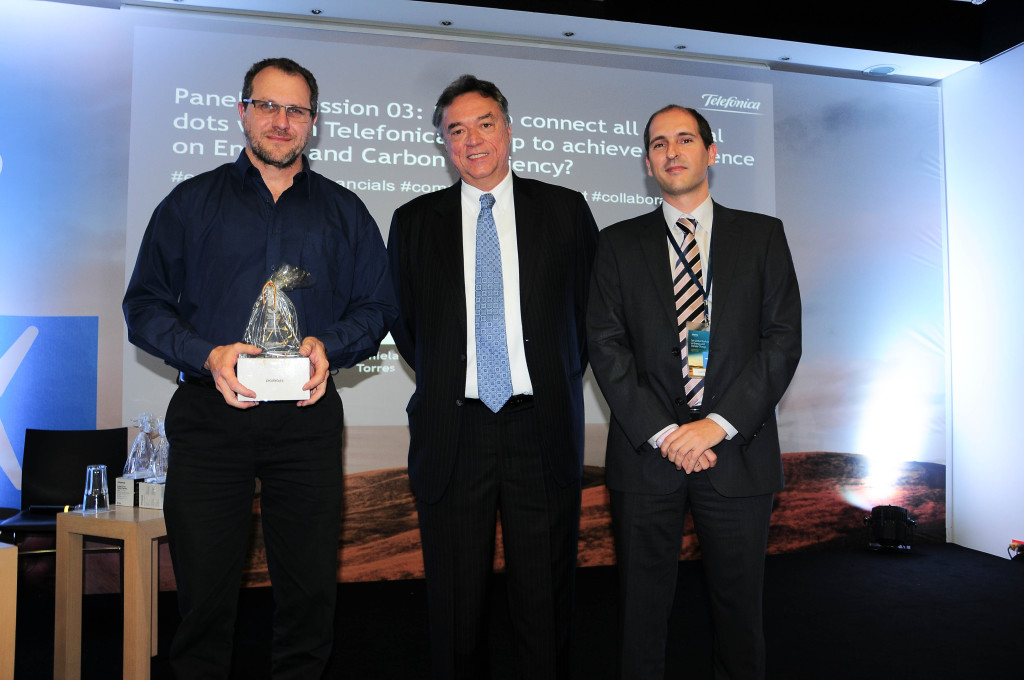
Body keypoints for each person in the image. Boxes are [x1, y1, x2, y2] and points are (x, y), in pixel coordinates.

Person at [122, 57, 397, 679]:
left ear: (314, 124)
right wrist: (206, 353)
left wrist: (334, 344)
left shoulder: (346, 212)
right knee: (203, 598)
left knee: (308, 596)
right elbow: (144, 306)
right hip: (209, 418)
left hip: (306, 422)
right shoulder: (190, 203)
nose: (281, 121)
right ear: (243, 110)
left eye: (295, 110)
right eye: (268, 106)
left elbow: (378, 305)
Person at [387, 74, 598, 679]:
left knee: (545, 600)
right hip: (456, 432)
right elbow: (405, 324)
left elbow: (589, 318)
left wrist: (552, 376)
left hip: (541, 426)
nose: (472, 139)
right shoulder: (414, 221)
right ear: (444, 144)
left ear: (508, 129)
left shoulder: (563, 210)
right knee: (455, 606)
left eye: (484, 124)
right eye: (456, 130)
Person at [586, 104, 801, 679]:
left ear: (711, 151)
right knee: (641, 613)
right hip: (647, 456)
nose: (672, 152)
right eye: (658, 144)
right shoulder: (617, 244)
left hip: (736, 450)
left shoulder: (761, 235)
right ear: (647, 162)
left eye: (685, 140)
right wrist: (666, 432)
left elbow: (781, 342)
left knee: (739, 615)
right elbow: (606, 348)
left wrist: (715, 425)